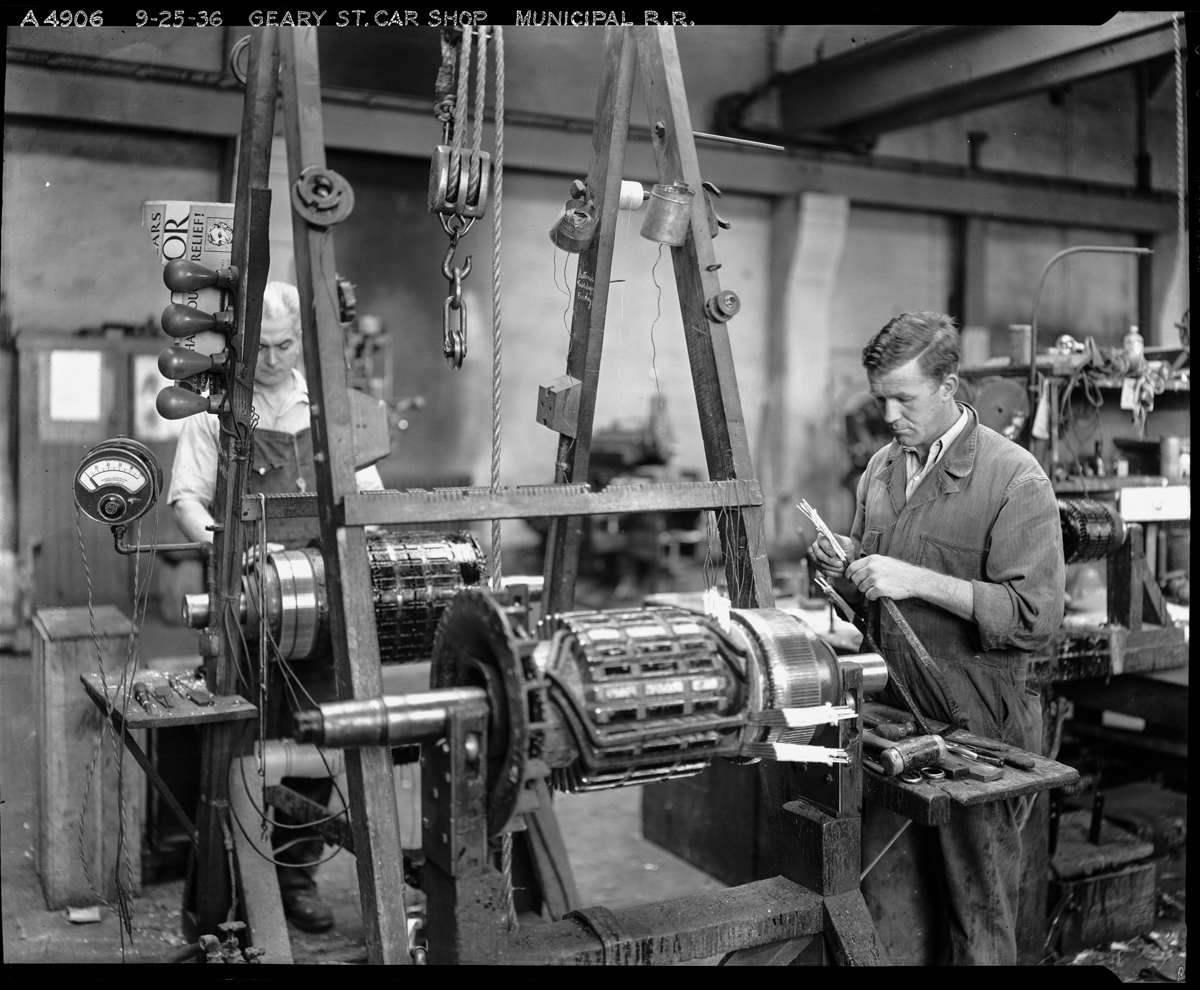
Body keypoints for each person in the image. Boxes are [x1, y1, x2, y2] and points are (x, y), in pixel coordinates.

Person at [810, 311, 1064, 965]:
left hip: (978, 716)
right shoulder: (880, 473)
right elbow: (875, 603)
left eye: (905, 398)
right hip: (895, 715)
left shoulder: (1014, 479)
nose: (890, 415)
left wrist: (912, 578)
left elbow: (1034, 617)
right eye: (882, 399)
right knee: (887, 904)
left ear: (950, 384)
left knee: (974, 909)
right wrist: (845, 572)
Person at [168, 281, 384, 933]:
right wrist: (225, 548)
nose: (272, 357)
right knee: (242, 737)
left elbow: (369, 492)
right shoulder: (216, 412)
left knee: (318, 736)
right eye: (259, 346)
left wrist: (361, 545)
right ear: (239, 345)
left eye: (285, 344)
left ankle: (296, 877)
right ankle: (233, 877)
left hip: (320, 605)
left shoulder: (330, 410)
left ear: (304, 341)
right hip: (248, 602)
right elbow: (185, 498)